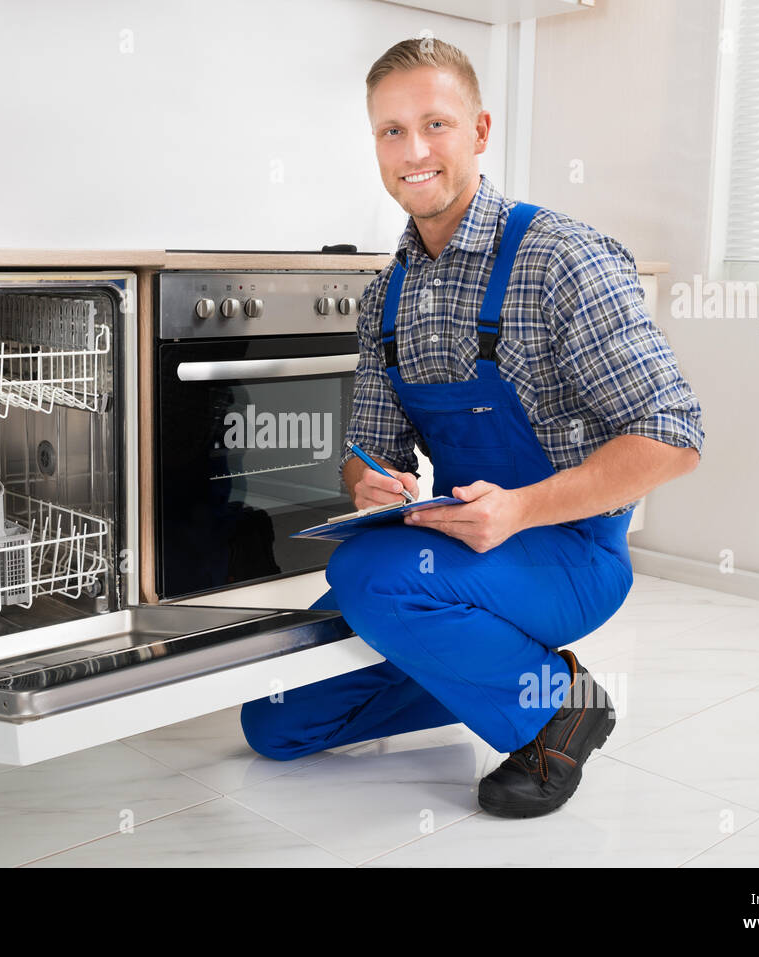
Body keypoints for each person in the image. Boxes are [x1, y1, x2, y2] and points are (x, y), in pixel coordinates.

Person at [240, 36, 705, 818]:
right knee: (278, 717)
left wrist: (519, 508)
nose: (413, 151)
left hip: (568, 553)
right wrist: (368, 480)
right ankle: (489, 666)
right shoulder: (385, 297)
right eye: (391, 131)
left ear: (481, 131)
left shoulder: (561, 258)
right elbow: (368, 454)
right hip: (459, 553)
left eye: (436, 125)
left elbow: (675, 435)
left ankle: (558, 705)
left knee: (369, 576)